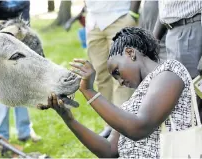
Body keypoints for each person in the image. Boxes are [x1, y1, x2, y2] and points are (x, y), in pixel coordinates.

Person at [38, 27, 196, 158]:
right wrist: (69, 119)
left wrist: (88, 91)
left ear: (130, 53)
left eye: (117, 72)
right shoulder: (132, 103)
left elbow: (139, 128)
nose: (120, 81)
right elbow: (110, 150)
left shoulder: (169, 74)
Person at [0, 0, 41, 142]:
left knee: (22, 89)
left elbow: (25, 25)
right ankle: (1, 134)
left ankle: (25, 131)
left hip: (20, 47)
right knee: (0, 92)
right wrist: (11, 28)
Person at [84, 1, 141, 138]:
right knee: (100, 76)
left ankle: (122, 127)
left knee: (122, 75)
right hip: (94, 22)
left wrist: (132, 14)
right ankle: (109, 126)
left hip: (120, 16)